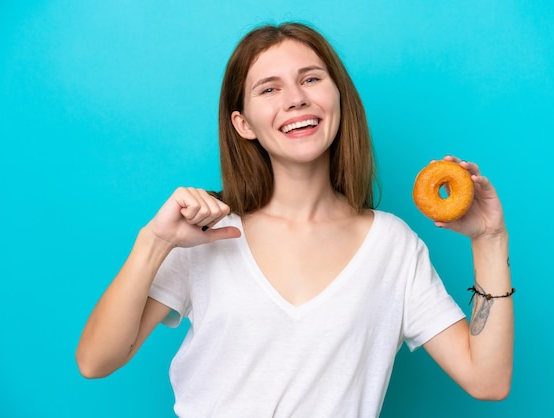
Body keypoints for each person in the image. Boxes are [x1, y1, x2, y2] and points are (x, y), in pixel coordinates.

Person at [75, 22, 514, 417]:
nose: (296, 98)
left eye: (310, 79)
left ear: (337, 97)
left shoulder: (392, 245)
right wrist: (153, 243)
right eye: (269, 89)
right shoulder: (203, 235)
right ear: (243, 123)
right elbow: (96, 361)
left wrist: (489, 239)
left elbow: (488, 380)